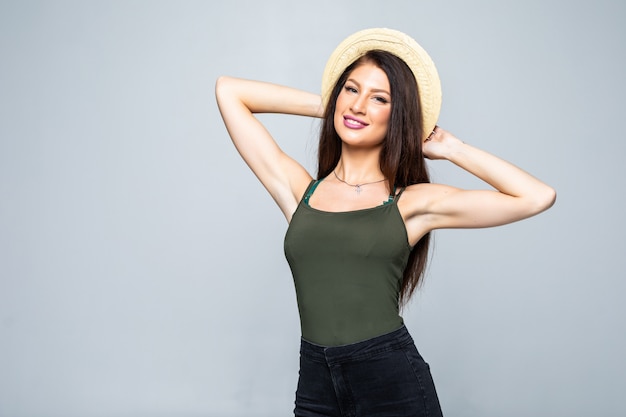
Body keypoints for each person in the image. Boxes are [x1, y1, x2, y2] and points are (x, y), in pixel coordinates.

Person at [215, 28, 555, 417]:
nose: (358, 106)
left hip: (389, 382)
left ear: (398, 116)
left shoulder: (410, 203)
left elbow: (536, 196)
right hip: (315, 382)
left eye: (379, 98)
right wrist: (331, 106)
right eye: (351, 90)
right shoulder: (300, 193)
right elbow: (229, 91)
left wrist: (452, 148)